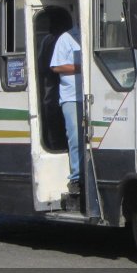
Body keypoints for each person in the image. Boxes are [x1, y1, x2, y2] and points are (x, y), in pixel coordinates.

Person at [50, 25, 83, 194]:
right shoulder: (67, 38)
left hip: (93, 95)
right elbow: (56, 66)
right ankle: (77, 178)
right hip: (72, 98)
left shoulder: (99, 33)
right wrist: (82, 67)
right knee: (76, 138)